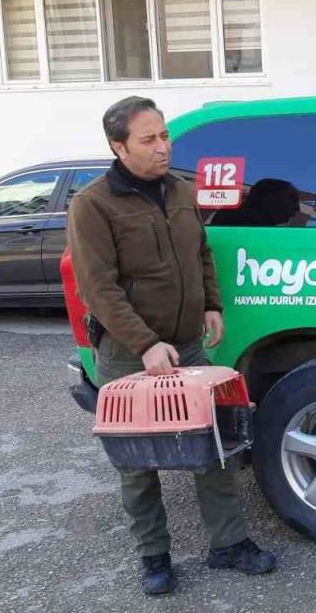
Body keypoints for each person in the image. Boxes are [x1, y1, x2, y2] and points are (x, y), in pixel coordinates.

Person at [66, 96, 277, 596]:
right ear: (119, 147)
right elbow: (97, 287)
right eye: (149, 139)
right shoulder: (93, 205)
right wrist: (144, 344)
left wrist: (212, 304)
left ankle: (228, 544)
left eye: (164, 136)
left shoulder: (180, 190)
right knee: (138, 461)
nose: (163, 147)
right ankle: (154, 557)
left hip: (188, 346)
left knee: (213, 447)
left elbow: (201, 251)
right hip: (127, 354)